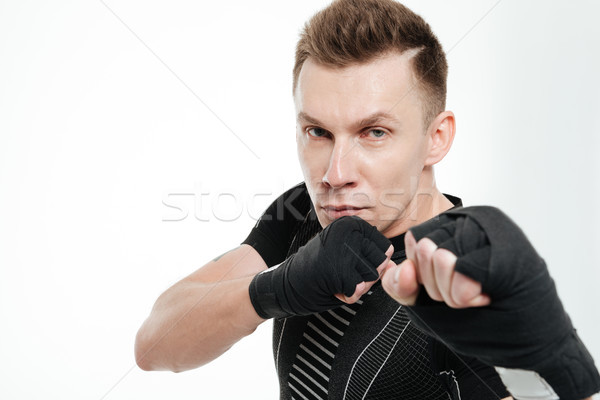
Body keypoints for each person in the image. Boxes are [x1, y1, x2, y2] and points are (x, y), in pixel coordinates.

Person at [135, 0, 599, 399]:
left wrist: (554, 363)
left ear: (437, 138)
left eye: (374, 132)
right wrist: (277, 289)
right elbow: (153, 346)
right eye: (317, 132)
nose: (334, 175)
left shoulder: (456, 274)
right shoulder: (301, 213)